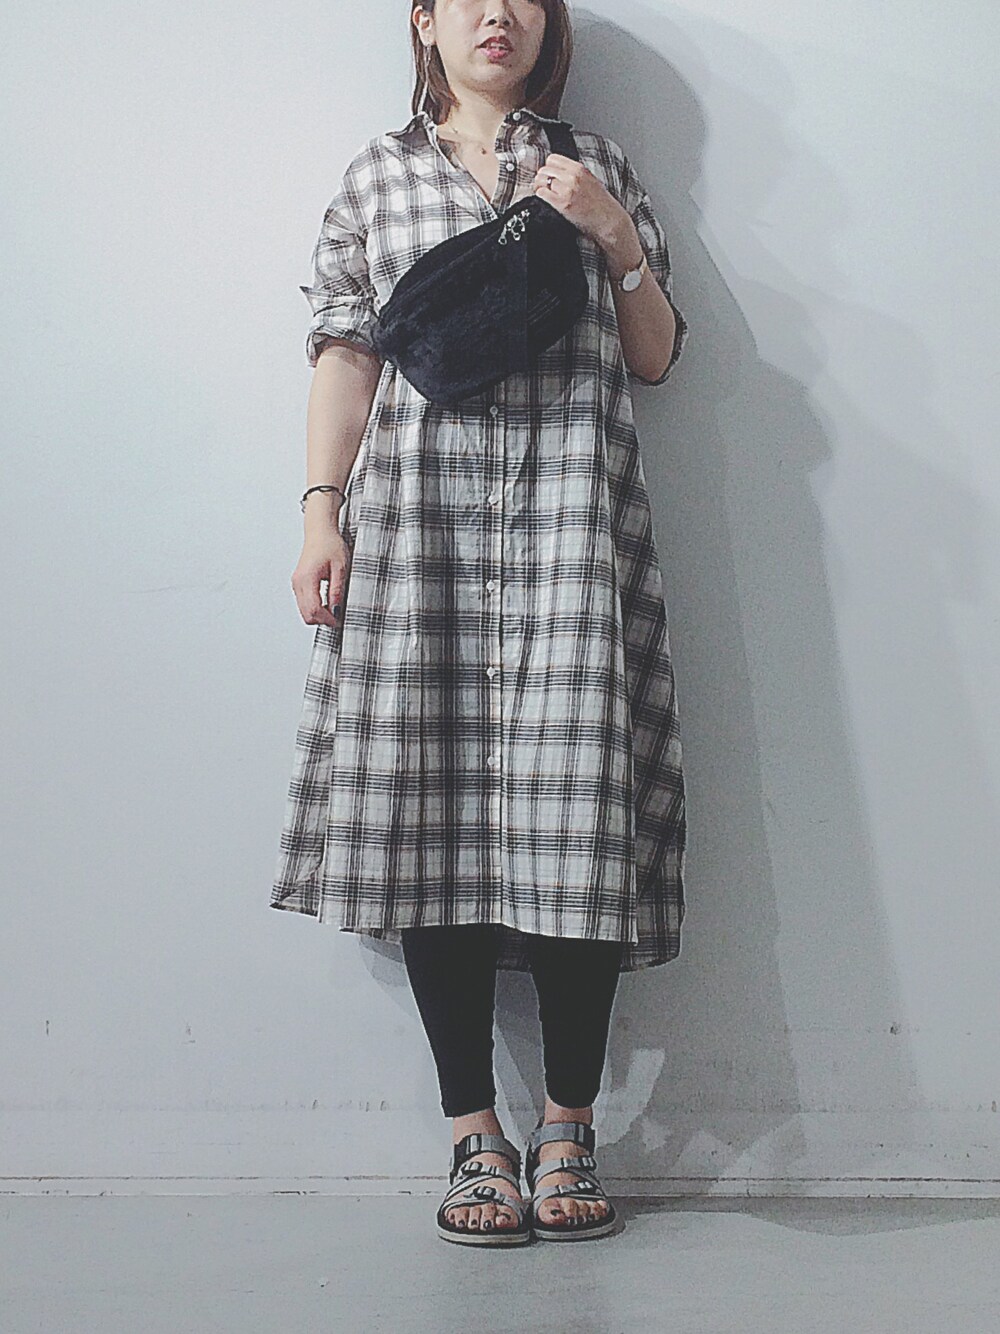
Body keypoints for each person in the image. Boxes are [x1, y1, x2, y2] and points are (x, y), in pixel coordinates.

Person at [271, 0, 690, 1247]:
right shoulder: (378, 176)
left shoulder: (596, 164)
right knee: (428, 814)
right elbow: (344, 353)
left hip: (570, 528)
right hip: (421, 534)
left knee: (577, 821)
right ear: (426, 21)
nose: (496, 13)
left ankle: (568, 1125)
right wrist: (319, 513)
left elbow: (656, 356)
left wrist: (612, 233)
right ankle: (474, 1135)